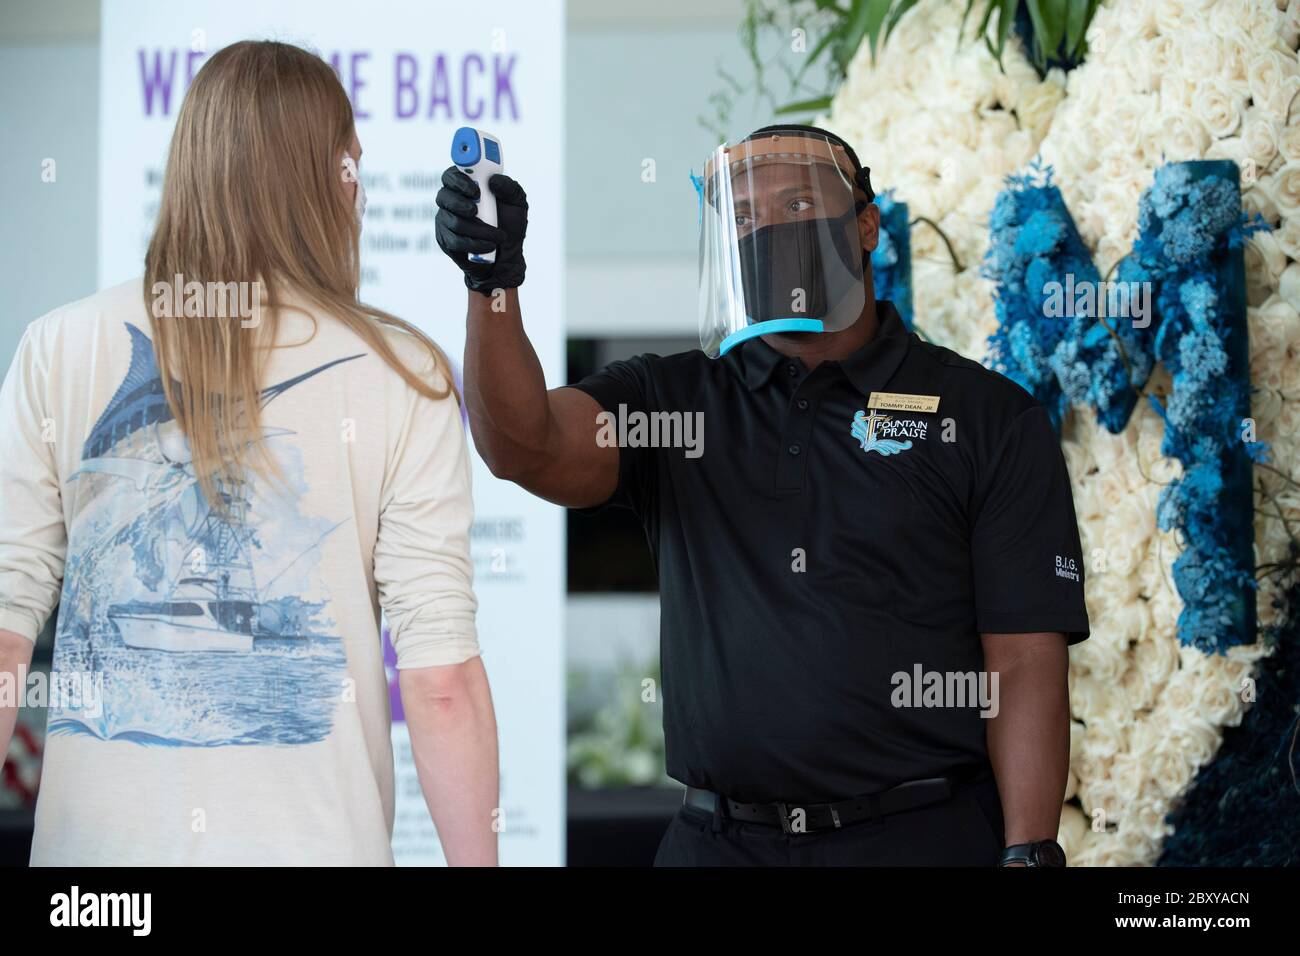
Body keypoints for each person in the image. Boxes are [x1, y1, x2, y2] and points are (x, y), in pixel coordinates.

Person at [436, 124, 1088, 867]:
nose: (768, 226)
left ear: (866, 224)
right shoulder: (674, 402)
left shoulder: (986, 416)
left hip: (920, 835)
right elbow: (524, 445)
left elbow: (1025, 659)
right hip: (716, 845)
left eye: (799, 201)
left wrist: (1030, 852)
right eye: (743, 216)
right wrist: (492, 284)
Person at [0, 40, 498, 866]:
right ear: (327, 179)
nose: (362, 193)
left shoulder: (58, 347)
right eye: (353, 168)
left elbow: (7, 636)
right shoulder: (404, 372)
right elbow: (440, 681)